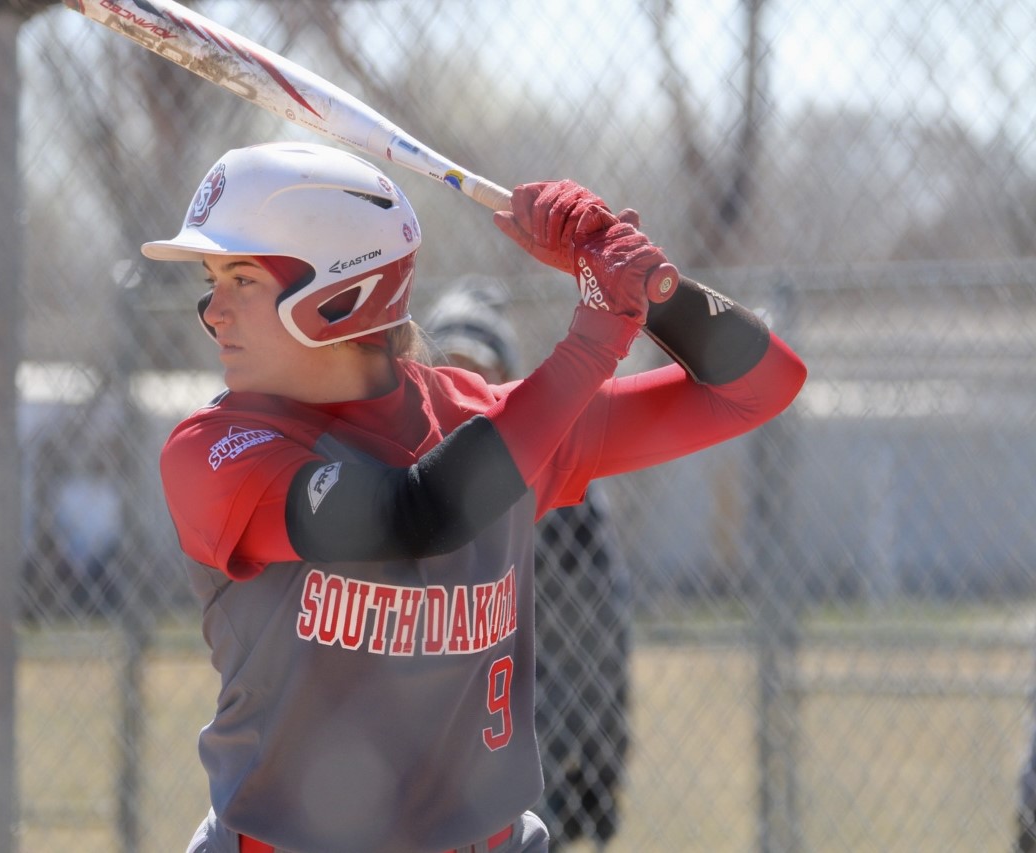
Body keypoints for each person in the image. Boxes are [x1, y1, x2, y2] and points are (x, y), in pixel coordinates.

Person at [148, 141, 807, 853]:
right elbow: (410, 513)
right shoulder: (216, 450)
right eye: (214, 280)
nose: (211, 311)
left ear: (336, 294)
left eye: (240, 278)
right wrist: (591, 340)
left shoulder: (493, 421)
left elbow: (764, 384)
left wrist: (651, 289)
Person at [425, 282, 632, 850]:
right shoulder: (394, 471)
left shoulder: (558, 488)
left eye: (477, 372)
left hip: (525, 742)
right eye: (447, 369)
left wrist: (601, 760)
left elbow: (598, 636)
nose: (460, 389)